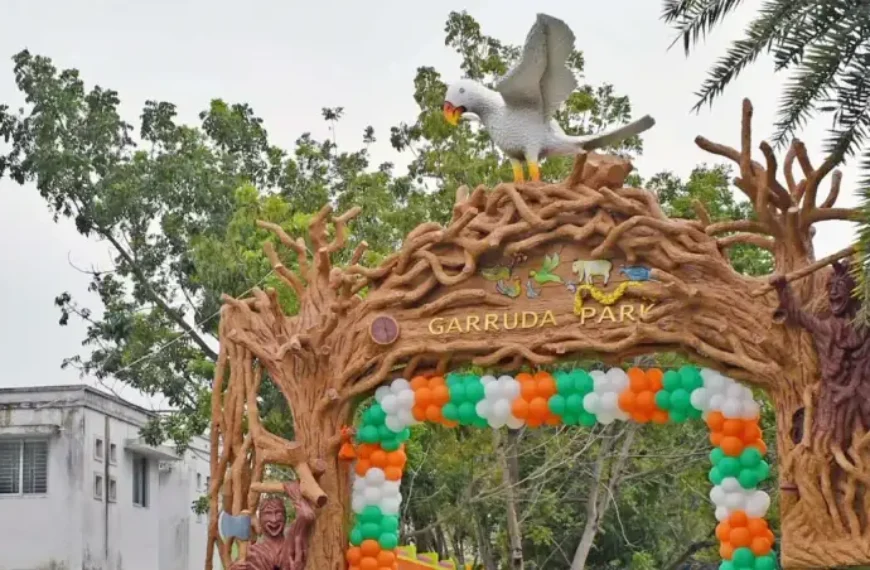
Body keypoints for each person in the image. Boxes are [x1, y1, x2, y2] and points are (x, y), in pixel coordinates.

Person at [230, 481, 317, 570]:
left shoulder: (292, 541)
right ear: (260, 519)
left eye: (278, 513)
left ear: (285, 517)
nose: (274, 520)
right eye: (268, 513)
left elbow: (307, 515)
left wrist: (297, 498)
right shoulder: (253, 553)